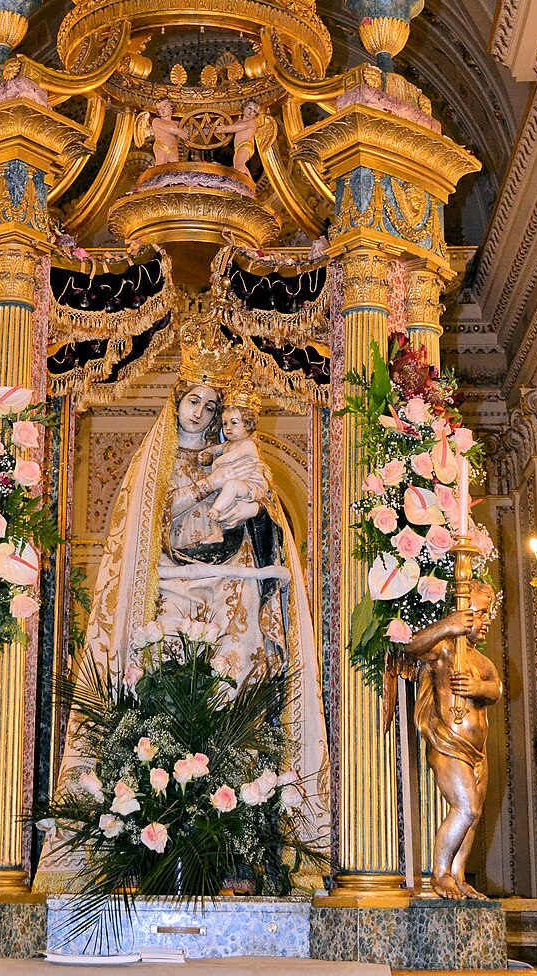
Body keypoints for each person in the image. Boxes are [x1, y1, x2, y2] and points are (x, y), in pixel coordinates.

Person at [35, 314, 329, 890]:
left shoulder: (235, 456)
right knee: (165, 694)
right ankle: (155, 825)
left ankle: (240, 836)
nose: (200, 412)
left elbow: (262, 520)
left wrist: (254, 509)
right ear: (175, 403)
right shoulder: (155, 464)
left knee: (233, 694)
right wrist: (206, 487)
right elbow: (153, 516)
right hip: (170, 584)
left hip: (228, 588)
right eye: (192, 400)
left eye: (210, 405)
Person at [403, 581, 502, 899]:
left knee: (474, 816)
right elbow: (410, 646)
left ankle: (458, 875)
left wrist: (478, 688)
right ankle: (441, 873)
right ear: (461, 612)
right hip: (448, 743)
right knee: (466, 808)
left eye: (488, 614)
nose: (486, 621)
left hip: (478, 751)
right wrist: (449, 625)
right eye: (480, 613)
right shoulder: (445, 649)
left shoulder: (482, 662)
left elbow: (496, 690)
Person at [200, 400, 267, 541]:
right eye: (225, 423)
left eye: (234, 423)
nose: (228, 428)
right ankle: (217, 534)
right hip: (233, 485)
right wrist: (207, 452)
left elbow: (231, 457)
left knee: (231, 487)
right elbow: (215, 449)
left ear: (247, 424)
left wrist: (216, 463)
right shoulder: (228, 444)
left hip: (250, 485)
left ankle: (216, 511)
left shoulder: (248, 444)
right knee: (215, 502)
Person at [217, 102, 260, 179]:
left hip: (245, 146)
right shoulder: (238, 122)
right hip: (237, 148)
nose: (251, 112)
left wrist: (224, 129)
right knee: (237, 167)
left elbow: (238, 127)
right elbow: (233, 126)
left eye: (254, 111)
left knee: (240, 165)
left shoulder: (252, 123)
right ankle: (249, 182)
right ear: (244, 108)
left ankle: (244, 183)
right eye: (250, 108)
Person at [151, 99, 188, 165]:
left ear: (171, 107)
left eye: (164, 106)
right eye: (159, 109)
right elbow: (167, 128)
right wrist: (179, 131)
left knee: (175, 165)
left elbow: (186, 131)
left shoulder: (176, 123)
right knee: (161, 164)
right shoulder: (156, 121)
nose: (162, 110)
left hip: (173, 148)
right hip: (161, 146)